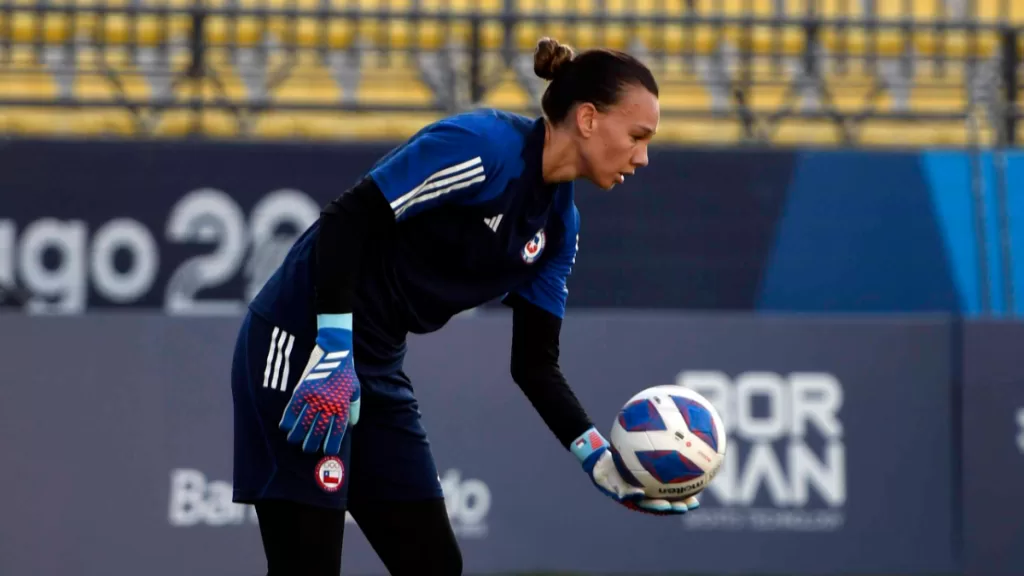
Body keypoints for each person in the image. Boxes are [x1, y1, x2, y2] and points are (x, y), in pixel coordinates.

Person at [231, 36, 698, 576]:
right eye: (638, 136)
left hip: (376, 366)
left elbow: (534, 364)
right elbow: (348, 219)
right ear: (589, 119)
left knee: (435, 566)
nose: (643, 157)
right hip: (300, 347)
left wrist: (597, 458)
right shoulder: (482, 147)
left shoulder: (559, 229)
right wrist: (333, 344)